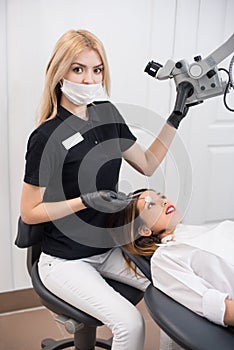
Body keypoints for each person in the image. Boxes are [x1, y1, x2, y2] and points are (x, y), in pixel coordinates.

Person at [20, 29, 192, 350]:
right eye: (78, 69)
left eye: (96, 70)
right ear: (59, 74)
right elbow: (30, 211)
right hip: (65, 260)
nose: (88, 80)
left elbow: (148, 163)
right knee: (130, 323)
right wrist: (83, 201)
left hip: (108, 247)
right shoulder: (45, 136)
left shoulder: (106, 114)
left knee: (177, 291)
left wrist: (176, 116)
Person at [108, 188, 234, 349]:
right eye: (151, 205)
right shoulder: (165, 257)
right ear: (145, 230)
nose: (164, 202)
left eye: (162, 197)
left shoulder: (194, 232)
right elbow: (217, 307)